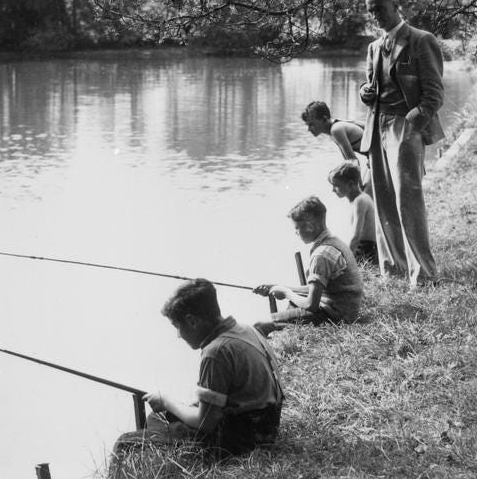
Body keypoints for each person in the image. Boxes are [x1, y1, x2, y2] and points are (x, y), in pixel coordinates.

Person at [113, 278, 282, 461]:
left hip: (244, 439)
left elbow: (205, 424)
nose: (178, 335)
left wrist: (167, 401)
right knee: (157, 417)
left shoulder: (215, 352)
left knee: (124, 444)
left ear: (192, 321)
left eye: (177, 327)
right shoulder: (244, 329)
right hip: (266, 424)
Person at [359, 0, 445, 287]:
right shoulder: (373, 47)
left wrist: (410, 127)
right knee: (382, 201)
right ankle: (393, 270)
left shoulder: (421, 41)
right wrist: (365, 93)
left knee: (407, 202)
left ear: (396, 3)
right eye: (371, 12)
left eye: (380, 9)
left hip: (404, 129)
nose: (377, 16)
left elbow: (434, 96)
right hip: (376, 128)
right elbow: (370, 88)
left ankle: (423, 274)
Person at [253, 196, 363, 336]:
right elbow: (316, 289)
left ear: (311, 226)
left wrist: (286, 293)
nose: (296, 232)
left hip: (336, 316)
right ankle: (283, 326)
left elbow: (311, 305)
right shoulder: (334, 242)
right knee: (292, 304)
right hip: (345, 308)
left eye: (297, 228)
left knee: (259, 325)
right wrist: (281, 287)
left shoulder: (321, 255)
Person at [301, 101, 371, 192]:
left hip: (379, 156)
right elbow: (348, 161)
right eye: (308, 125)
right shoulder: (336, 125)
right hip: (376, 156)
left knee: (365, 194)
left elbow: (353, 161)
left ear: (324, 119)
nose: (309, 129)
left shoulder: (336, 130)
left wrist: (359, 187)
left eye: (312, 124)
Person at [328, 161, 377, 265]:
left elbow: (356, 236)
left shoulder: (360, 201)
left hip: (366, 250)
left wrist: (345, 259)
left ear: (350, 184)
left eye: (336, 186)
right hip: (364, 247)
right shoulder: (358, 200)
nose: (332, 190)